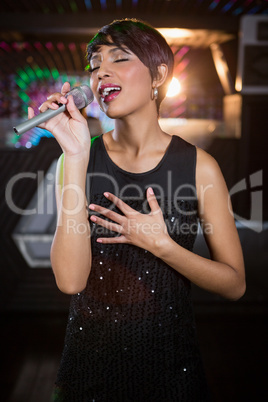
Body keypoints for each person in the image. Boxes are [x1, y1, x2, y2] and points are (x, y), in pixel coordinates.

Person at [31, 18, 246, 402]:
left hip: (172, 372)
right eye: (95, 64)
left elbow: (234, 284)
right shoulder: (78, 157)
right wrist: (77, 156)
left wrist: (162, 245)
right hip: (86, 374)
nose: (101, 73)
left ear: (158, 74)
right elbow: (70, 282)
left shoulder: (200, 166)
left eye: (119, 58)